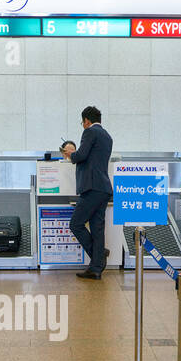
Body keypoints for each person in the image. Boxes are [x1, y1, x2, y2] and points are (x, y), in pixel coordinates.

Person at [69, 106, 113, 280]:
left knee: (76, 224)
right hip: (103, 188)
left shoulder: (90, 132)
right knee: (97, 228)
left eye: (82, 122)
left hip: (92, 188)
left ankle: (99, 256)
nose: (83, 125)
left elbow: (81, 155)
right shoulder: (107, 136)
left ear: (86, 120)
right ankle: (95, 269)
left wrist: (71, 154)